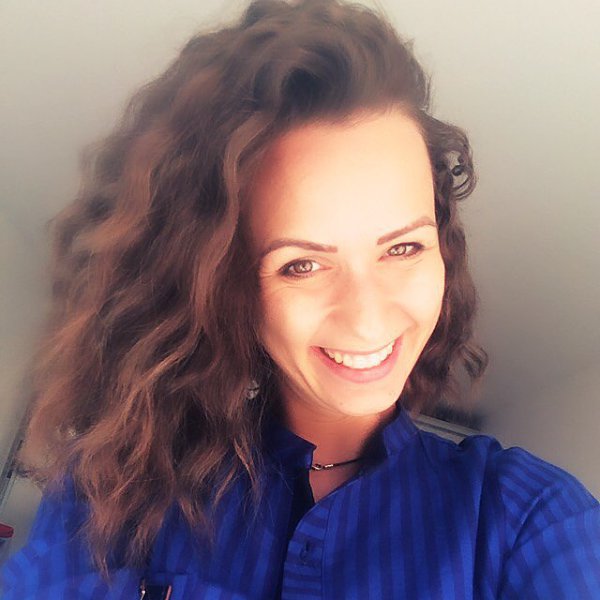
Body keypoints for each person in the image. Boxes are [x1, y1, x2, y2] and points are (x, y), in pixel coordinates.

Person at [1, 0, 599, 598]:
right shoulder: (112, 492)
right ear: (229, 284)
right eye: (301, 265)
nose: (367, 318)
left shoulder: (526, 519)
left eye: (403, 248)